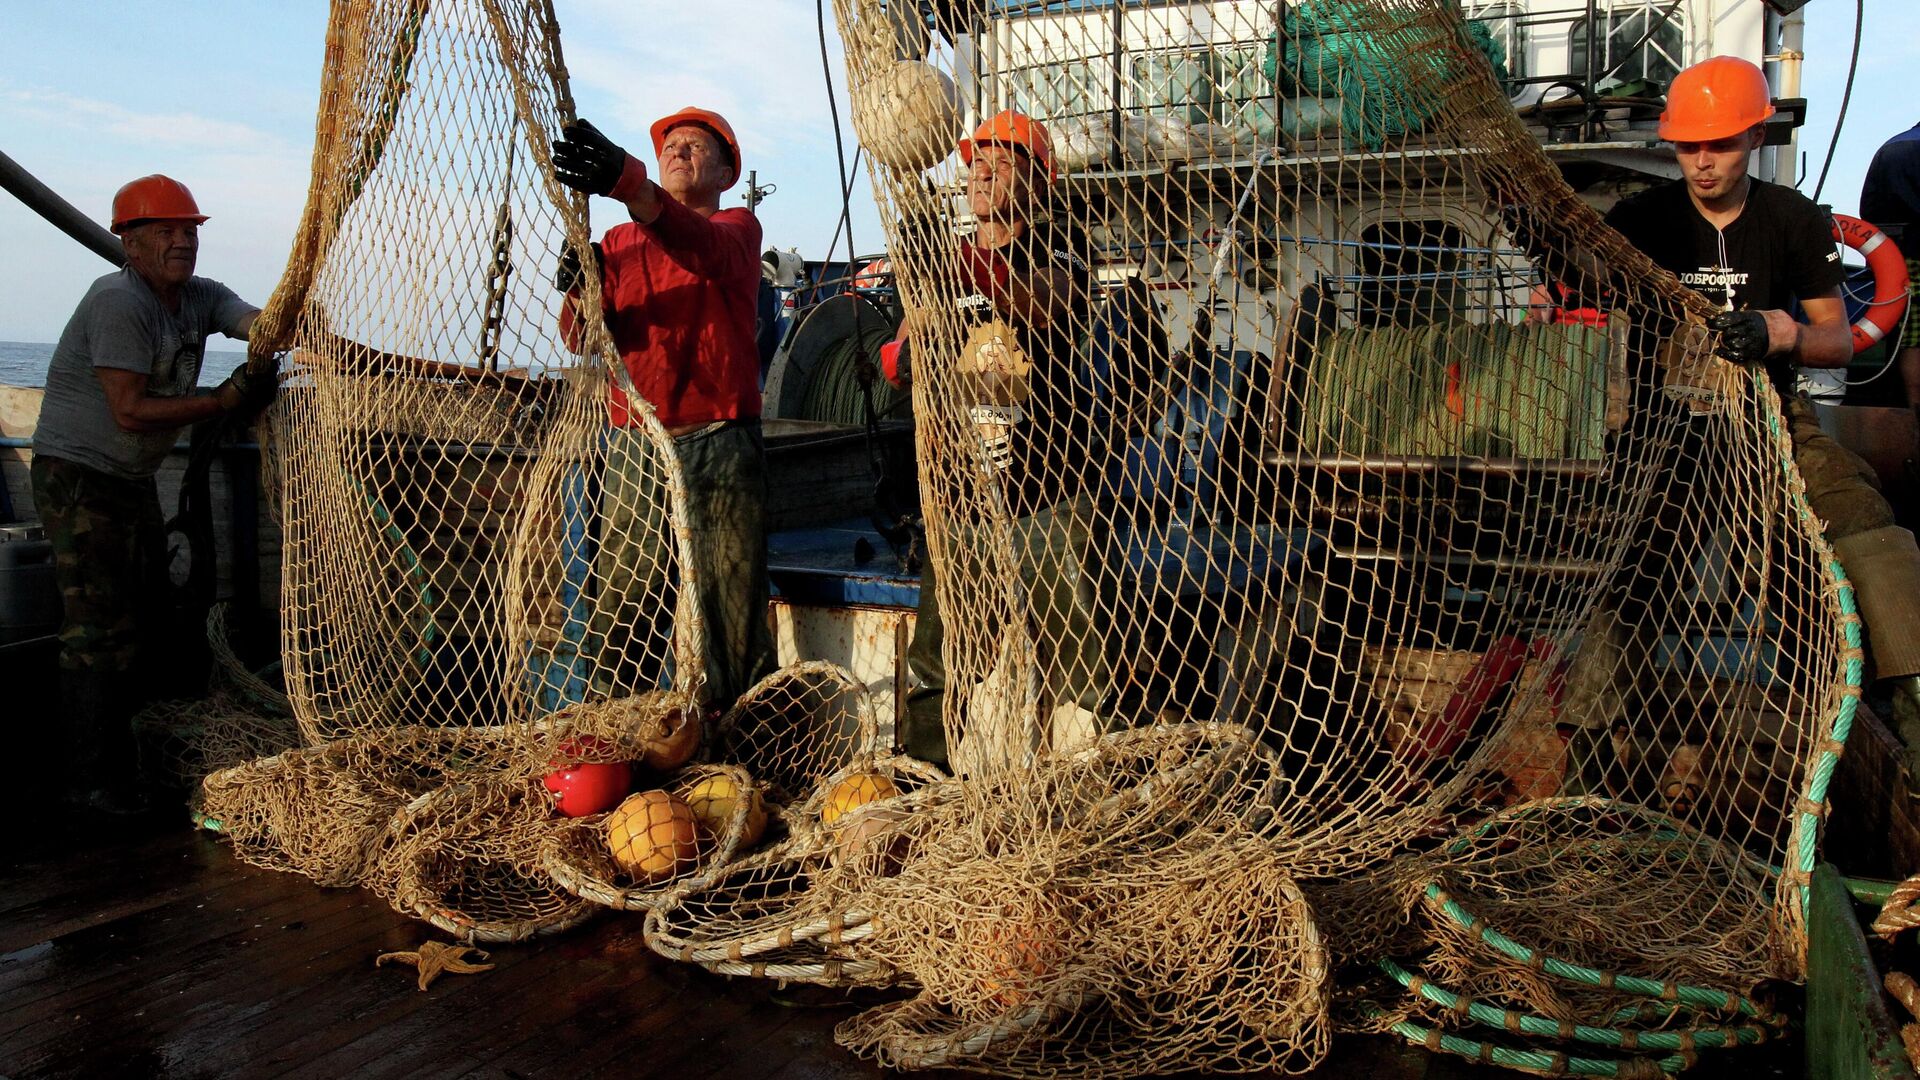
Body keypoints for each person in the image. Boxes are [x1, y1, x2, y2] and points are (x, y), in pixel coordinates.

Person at [1578, 56, 1920, 741]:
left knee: (1857, 519)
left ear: (1755, 140)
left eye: (1721, 143)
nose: (1702, 162)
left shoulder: (1792, 218)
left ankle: (1901, 710)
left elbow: (1838, 340)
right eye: (1688, 145)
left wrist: (1779, 330)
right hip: (1664, 421)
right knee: (1619, 561)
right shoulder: (1642, 218)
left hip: (1768, 416)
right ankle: (1599, 745)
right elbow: (1584, 284)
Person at [30, 174, 273, 815]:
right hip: (78, 477)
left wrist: (290, 325)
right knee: (98, 631)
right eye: (165, 231)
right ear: (130, 243)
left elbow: (252, 321)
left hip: (129, 481)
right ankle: (85, 784)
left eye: (189, 230)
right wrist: (224, 401)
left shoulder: (198, 297)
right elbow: (131, 411)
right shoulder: (118, 301)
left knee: (144, 614)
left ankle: (130, 762)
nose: (182, 242)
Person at [886, 110, 1110, 771]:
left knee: (1077, 666)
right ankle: (930, 782)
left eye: (1004, 161)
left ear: (1041, 181)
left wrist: (956, 264)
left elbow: (1042, 299)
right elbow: (898, 353)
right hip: (958, 501)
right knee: (940, 665)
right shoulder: (942, 267)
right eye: (976, 161)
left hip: (1045, 499)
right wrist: (905, 353)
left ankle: (1085, 788)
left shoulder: (1062, 245)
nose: (982, 171)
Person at [550, 107, 775, 719]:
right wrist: (580, 286)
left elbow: (701, 249)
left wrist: (629, 184)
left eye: (698, 146)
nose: (680, 152)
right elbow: (581, 337)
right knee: (626, 604)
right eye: (671, 144)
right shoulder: (620, 243)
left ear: (727, 173)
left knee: (731, 604)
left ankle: (746, 741)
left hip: (720, 440)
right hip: (636, 447)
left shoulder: (737, 227)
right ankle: (627, 735)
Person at [1860, 119, 1920, 419]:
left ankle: (1912, 412)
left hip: (1896, 263)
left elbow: (1867, 213)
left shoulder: (1891, 148)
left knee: (1912, 338)